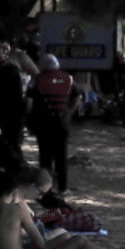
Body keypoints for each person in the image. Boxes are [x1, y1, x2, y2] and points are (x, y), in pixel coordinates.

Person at [29, 55, 78, 194]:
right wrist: (69, 112)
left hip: (44, 123)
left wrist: (28, 121)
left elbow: (29, 102)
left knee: (45, 157)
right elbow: (78, 97)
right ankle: (62, 188)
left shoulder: (38, 79)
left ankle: (46, 188)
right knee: (61, 156)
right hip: (62, 123)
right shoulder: (68, 77)